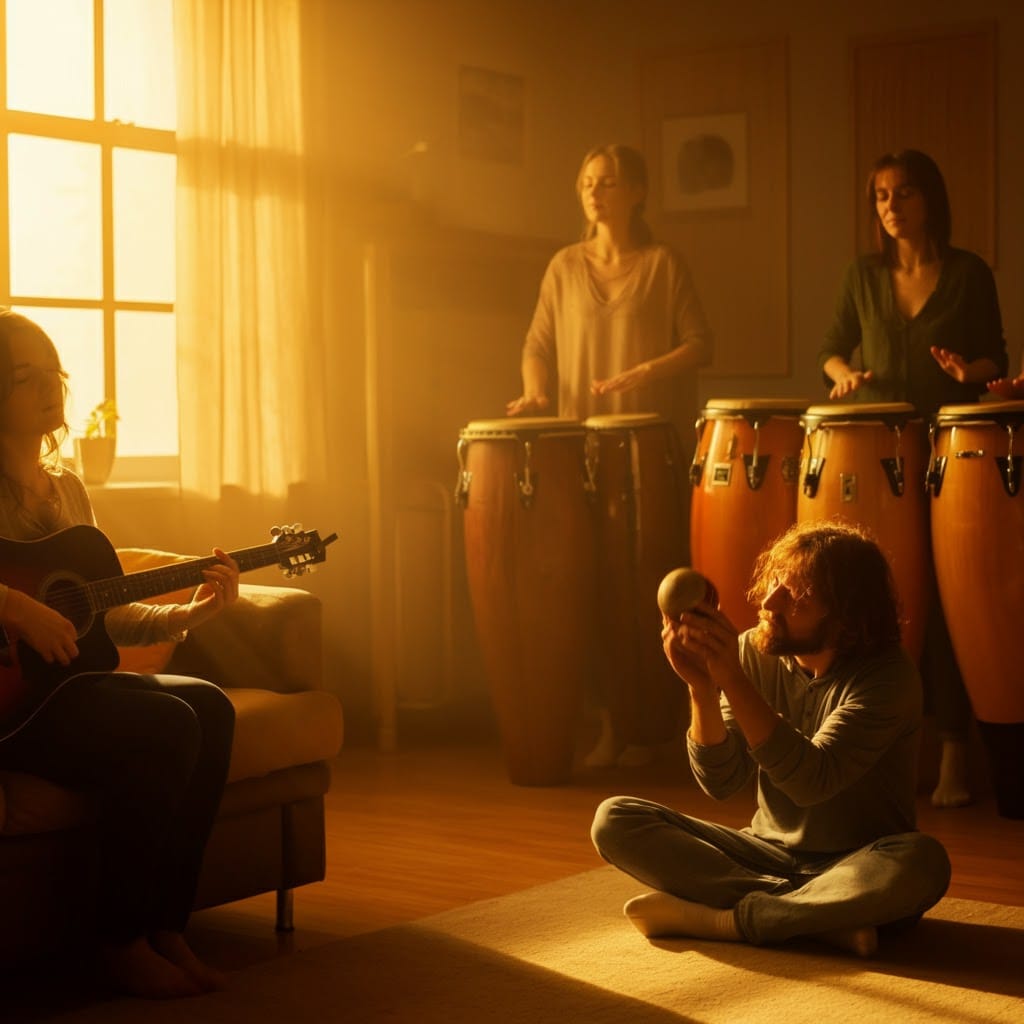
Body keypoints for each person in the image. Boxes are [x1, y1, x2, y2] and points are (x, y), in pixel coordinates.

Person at [0, 310, 239, 999]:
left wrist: (188, 612)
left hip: (67, 694)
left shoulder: (68, 488)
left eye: (56, 375)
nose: (50, 390)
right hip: (15, 708)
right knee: (166, 722)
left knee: (207, 705)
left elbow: (102, 611)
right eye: (26, 377)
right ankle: (119, 941)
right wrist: (17, 608)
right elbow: (35, 609)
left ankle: (167, 927)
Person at [591, 520, 951, 958]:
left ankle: (724, 920)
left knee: (923, 863)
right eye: (776, 582)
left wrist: (734, 682)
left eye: (795, 595)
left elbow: (811, 781)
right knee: (615, 819)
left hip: (858, 861)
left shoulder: (888, 679)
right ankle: (815, 918)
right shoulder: (754, 655)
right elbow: (722, 781)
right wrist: (702, 691)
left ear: (845, 617)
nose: (769, 602)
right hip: (764, 854)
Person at [507, 142, 713, 768]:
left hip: (649, 447)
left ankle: (671, 720)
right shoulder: (563, 265)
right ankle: (609, 725)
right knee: (589, 593)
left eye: (610, 181)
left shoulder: (662, 262)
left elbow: (700, 344)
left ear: (638, 193)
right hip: (581, 450)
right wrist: (537, 390)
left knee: (650, 592)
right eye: (588, 180)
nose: (596, 191)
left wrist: (645, 371)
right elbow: (537, 343)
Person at [817, 149, 1009, 809]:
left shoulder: (968, 273)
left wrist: (968, 373)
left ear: (930, 198)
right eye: (880, 196)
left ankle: (954, 753)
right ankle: (883, 748)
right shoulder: (861, 276)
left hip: (955, 457)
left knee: (954, 605)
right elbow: (832, 348)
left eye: (903, 194)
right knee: (880, 600)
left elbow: (997, 359)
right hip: (879, 457)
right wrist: (842, 374)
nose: (891, 207)